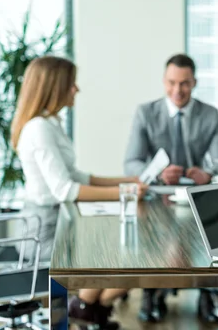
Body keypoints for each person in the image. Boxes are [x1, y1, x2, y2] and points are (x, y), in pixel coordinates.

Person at [11, 56, 147, 330]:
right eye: (71, 83)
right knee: (124, 254)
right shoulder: (39, 129)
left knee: (128, 251)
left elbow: (77, 176)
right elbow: (65, 189)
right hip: (42, 234)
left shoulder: (51, 124)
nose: (77, 89)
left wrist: (126, 182)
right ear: (55, 86)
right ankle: (87, 307)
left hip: (55, 223)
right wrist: (127, 194)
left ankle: (90, 309)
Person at [123, 53, 218, 323]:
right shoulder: (146, 113)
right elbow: (131, 163)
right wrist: (157, 173)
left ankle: (209, 289)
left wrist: (206, 174)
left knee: (211, 227)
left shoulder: (210, 115)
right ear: (163, 81)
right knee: (155, 231)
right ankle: (152, 289)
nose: (177, 90)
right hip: (157, 195)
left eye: (184, 83)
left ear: (194, 82)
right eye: (171, 83)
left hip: (196, 196)